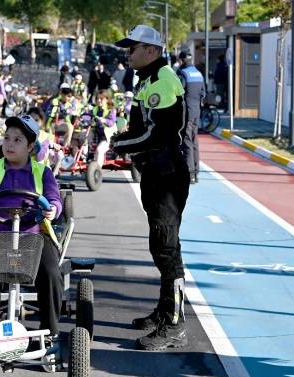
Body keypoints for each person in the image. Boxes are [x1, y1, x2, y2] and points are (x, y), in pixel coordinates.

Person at [111, 25, 190, 351]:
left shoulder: (164, 81)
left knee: (167, 250)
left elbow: (158, 134)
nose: (128, 53)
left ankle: (175, 324)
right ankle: (164, 311)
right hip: (155, 172)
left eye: (134, 47)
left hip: (167, 174)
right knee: (162, 247)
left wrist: (120, 144)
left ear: (152, 51)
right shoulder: (147, 80)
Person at [0, 115, 63, 339]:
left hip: (34, 234)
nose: (9, 144)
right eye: (7, 138)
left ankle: (49, 332)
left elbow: (54, 198)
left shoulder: (42, 171)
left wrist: (53, 209)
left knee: (50, 273)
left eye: (17, 140)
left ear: (30, 146)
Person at [177, 51, 206, 184]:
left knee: (187, 141)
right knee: (194, 141)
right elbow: (203, 94)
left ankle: (189, 174)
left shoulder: (183, 73)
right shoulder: (199, 74)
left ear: (182, 61)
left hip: (186, 112)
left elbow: (178, 92)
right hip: (196, 112)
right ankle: (196, 172)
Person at [91, 90, 117, 168]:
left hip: (109, 137)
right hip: (96, 135)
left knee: (99, 150)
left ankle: (97, 171)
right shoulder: (95, 109)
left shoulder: (111, 110)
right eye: (97, 99)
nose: (99, 101)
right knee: (83, 142)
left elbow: (111, 123)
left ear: (106, 99)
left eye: (101, 99)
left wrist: (104, 120)